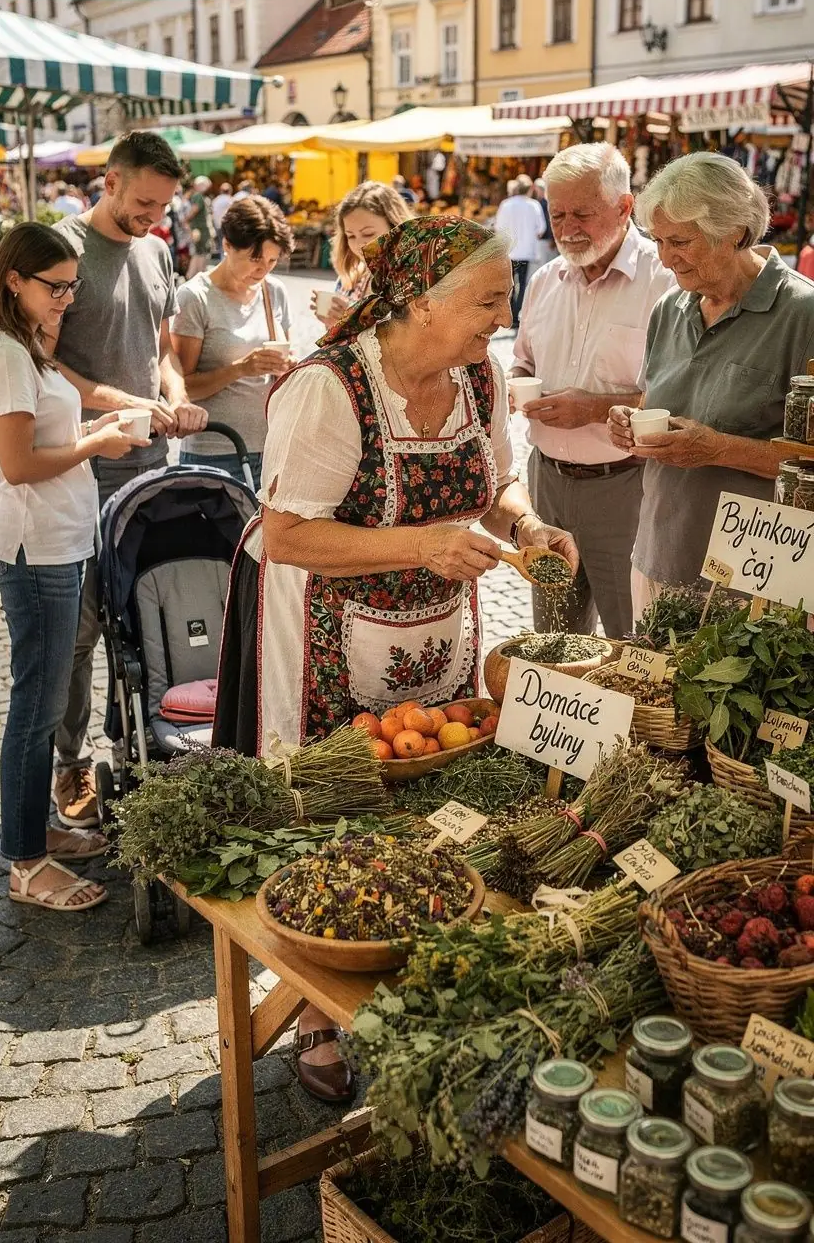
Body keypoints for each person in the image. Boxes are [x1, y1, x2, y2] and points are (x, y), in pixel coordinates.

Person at [215, 216, 578, 1103]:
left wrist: (525, 523)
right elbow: (289, 535)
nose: (503, 315)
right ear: (418, 301)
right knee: (330, 817)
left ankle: (411, 971)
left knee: (428, 802)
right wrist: (423, 545)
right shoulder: (328, 389)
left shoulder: (475, 376)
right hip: (325, 641)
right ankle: (315, 1013)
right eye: (487, 299)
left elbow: (494, 484)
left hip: (435, 635)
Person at [51, 131, 208, 826]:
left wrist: (175, 395)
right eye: (143, 202)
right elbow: (42, 365)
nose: (152, 217)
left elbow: (163, 351)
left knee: (145, 616)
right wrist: (124, 402)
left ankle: (145, 742)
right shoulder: (62, 252)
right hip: (80, 472)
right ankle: (70, 764)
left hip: (151, 469)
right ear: (109, 180)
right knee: (77, 635)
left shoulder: (156, 248)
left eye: (163, 205)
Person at [0, 225, 148, 910]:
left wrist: (95, 434)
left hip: (60, 538)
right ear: (13, 281)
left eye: (71, 285)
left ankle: (39, 838)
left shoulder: (27, 345)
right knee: (36, 706)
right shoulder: (7, 351)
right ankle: (25, 862)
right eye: (54, 286)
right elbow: (18, 464)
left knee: (44, 695)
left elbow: (46, 440)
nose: (66, 298)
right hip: (38, 549)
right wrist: (96, 447)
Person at [607, 151, 814, 621]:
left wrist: (718, 449)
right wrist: (627, 423)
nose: (664, 257)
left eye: (680, 241)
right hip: (659, 558)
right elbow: (650, 405)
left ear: (736, 232)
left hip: (755, 581)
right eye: (658, 240)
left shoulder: (803, 314)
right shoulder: (669, 309)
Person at [510, 143, 672, 640]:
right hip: (548, 484)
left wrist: (597, 408)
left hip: (627, 487)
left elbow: (682, 400)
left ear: (625, 207)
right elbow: (521, 361)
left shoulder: (663, 281)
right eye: (556, 213)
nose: (566, 227)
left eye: (582, 212)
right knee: (554, 637)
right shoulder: (543, 281)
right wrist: (517, 386)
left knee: (631, 639)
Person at [171, 198, 295, 486]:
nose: (263, 270)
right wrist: (239, 369)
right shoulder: (195, 298)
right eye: (255, 259)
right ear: (227, 245)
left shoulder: (274, 292)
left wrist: (290, 367)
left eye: (272, 261)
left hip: (271, 449)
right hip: (215, 450)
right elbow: (182, 388)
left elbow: (286, 365)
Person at [311, 182, 412, 328]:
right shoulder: (350, 279)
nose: (359, 244)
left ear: (395, 227)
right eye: (350, 236)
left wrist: (356, 321)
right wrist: (334, 325)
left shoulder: (414, 282)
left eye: (368, 234)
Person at [495, 174, 547, 329]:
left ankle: (505, 312)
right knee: (522, 283)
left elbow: (498, 227)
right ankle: (515, 314)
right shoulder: (534, 206)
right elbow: (541, 229)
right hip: (526, 251)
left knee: (506, 283)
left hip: (508, 250)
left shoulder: (506, 204)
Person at [186, 175, 213, 278]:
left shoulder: (200, 196)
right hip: (200, 230)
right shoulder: (198, 196)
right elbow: (194, 210)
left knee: (200, 252)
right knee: (200, 253)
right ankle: (196, 275)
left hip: (201, 229)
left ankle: (195, 275)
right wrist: (185, 220)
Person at [211, 181, 233, 255]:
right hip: (227, 227)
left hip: (218, 225)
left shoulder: (216, 200)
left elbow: (213, 213)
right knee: (228, 245)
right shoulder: (230, 200)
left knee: (221, 244)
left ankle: (222, 259)